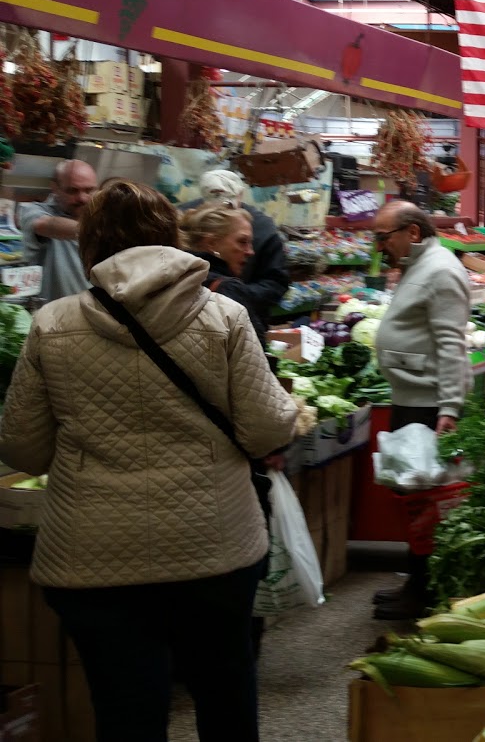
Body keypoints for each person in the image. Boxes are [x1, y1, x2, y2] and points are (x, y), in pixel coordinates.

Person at [0, 179, 299, 742]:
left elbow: (23, 447)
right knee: (225, 691)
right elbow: (265, 429)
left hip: (93, 553)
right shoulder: (224, 315)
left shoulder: (52, 325)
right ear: (170, 236)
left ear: (89, 247)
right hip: (215, 544)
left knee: (125, 707)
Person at [369, 200, 471, 619]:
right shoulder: (418, 266)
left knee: (427, 504)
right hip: (411, 398)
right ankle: (417, 581)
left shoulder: (441, 270)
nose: (380, 246)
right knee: (412, 498)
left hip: (428, 406)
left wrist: (449, 406)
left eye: (383, 236)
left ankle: (426, 591)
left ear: (412, 233)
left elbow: (451, 343)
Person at [181, 170, 290, 323]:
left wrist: (235, 295)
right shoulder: (182, 219)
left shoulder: (263, 228)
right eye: (242, 242)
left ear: (240, 195)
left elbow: (276, 282)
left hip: (245, 314)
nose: (249, 251)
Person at [180, 204, 265, 343]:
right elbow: (255, 352)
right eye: (242, 242)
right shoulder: (227, 288)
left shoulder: (174, 277)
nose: (251, 252)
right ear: (212, 243)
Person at [19, 159, 98, 303]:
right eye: (72, 191)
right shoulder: (34, 211)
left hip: (92, 314)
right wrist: (102, 231)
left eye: (89, 190)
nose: (82, 198)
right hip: (51, 317)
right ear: (55, 188)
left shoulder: (100, 217)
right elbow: (45, 225)